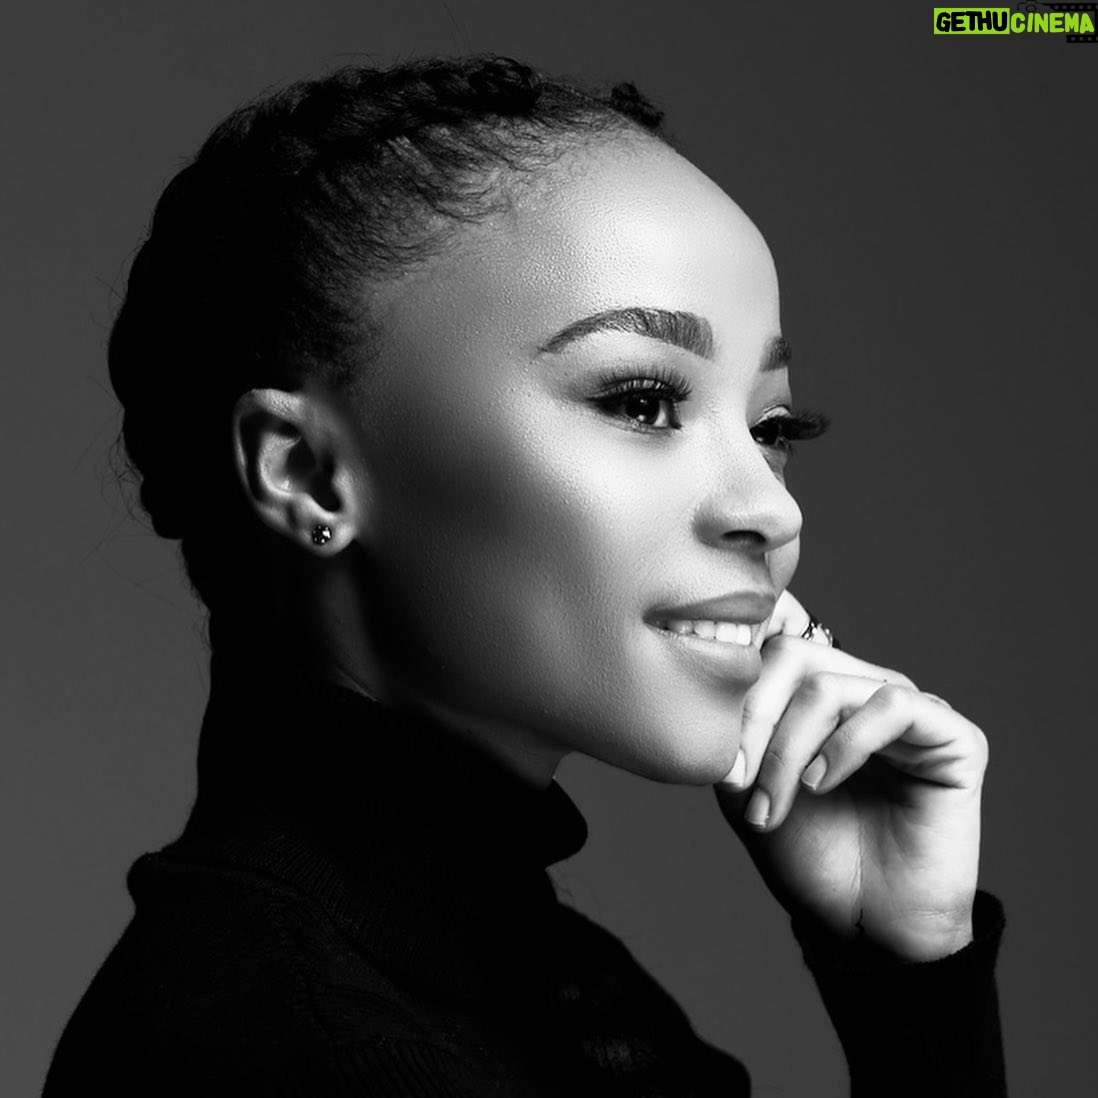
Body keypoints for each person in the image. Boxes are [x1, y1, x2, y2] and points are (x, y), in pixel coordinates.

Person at [43, 54, 1006, 1096]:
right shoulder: (327, 1053)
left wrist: (910, 984)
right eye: (641, 402)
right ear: (309, 473)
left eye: (773, 427)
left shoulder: (538, 986)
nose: (772, 511)